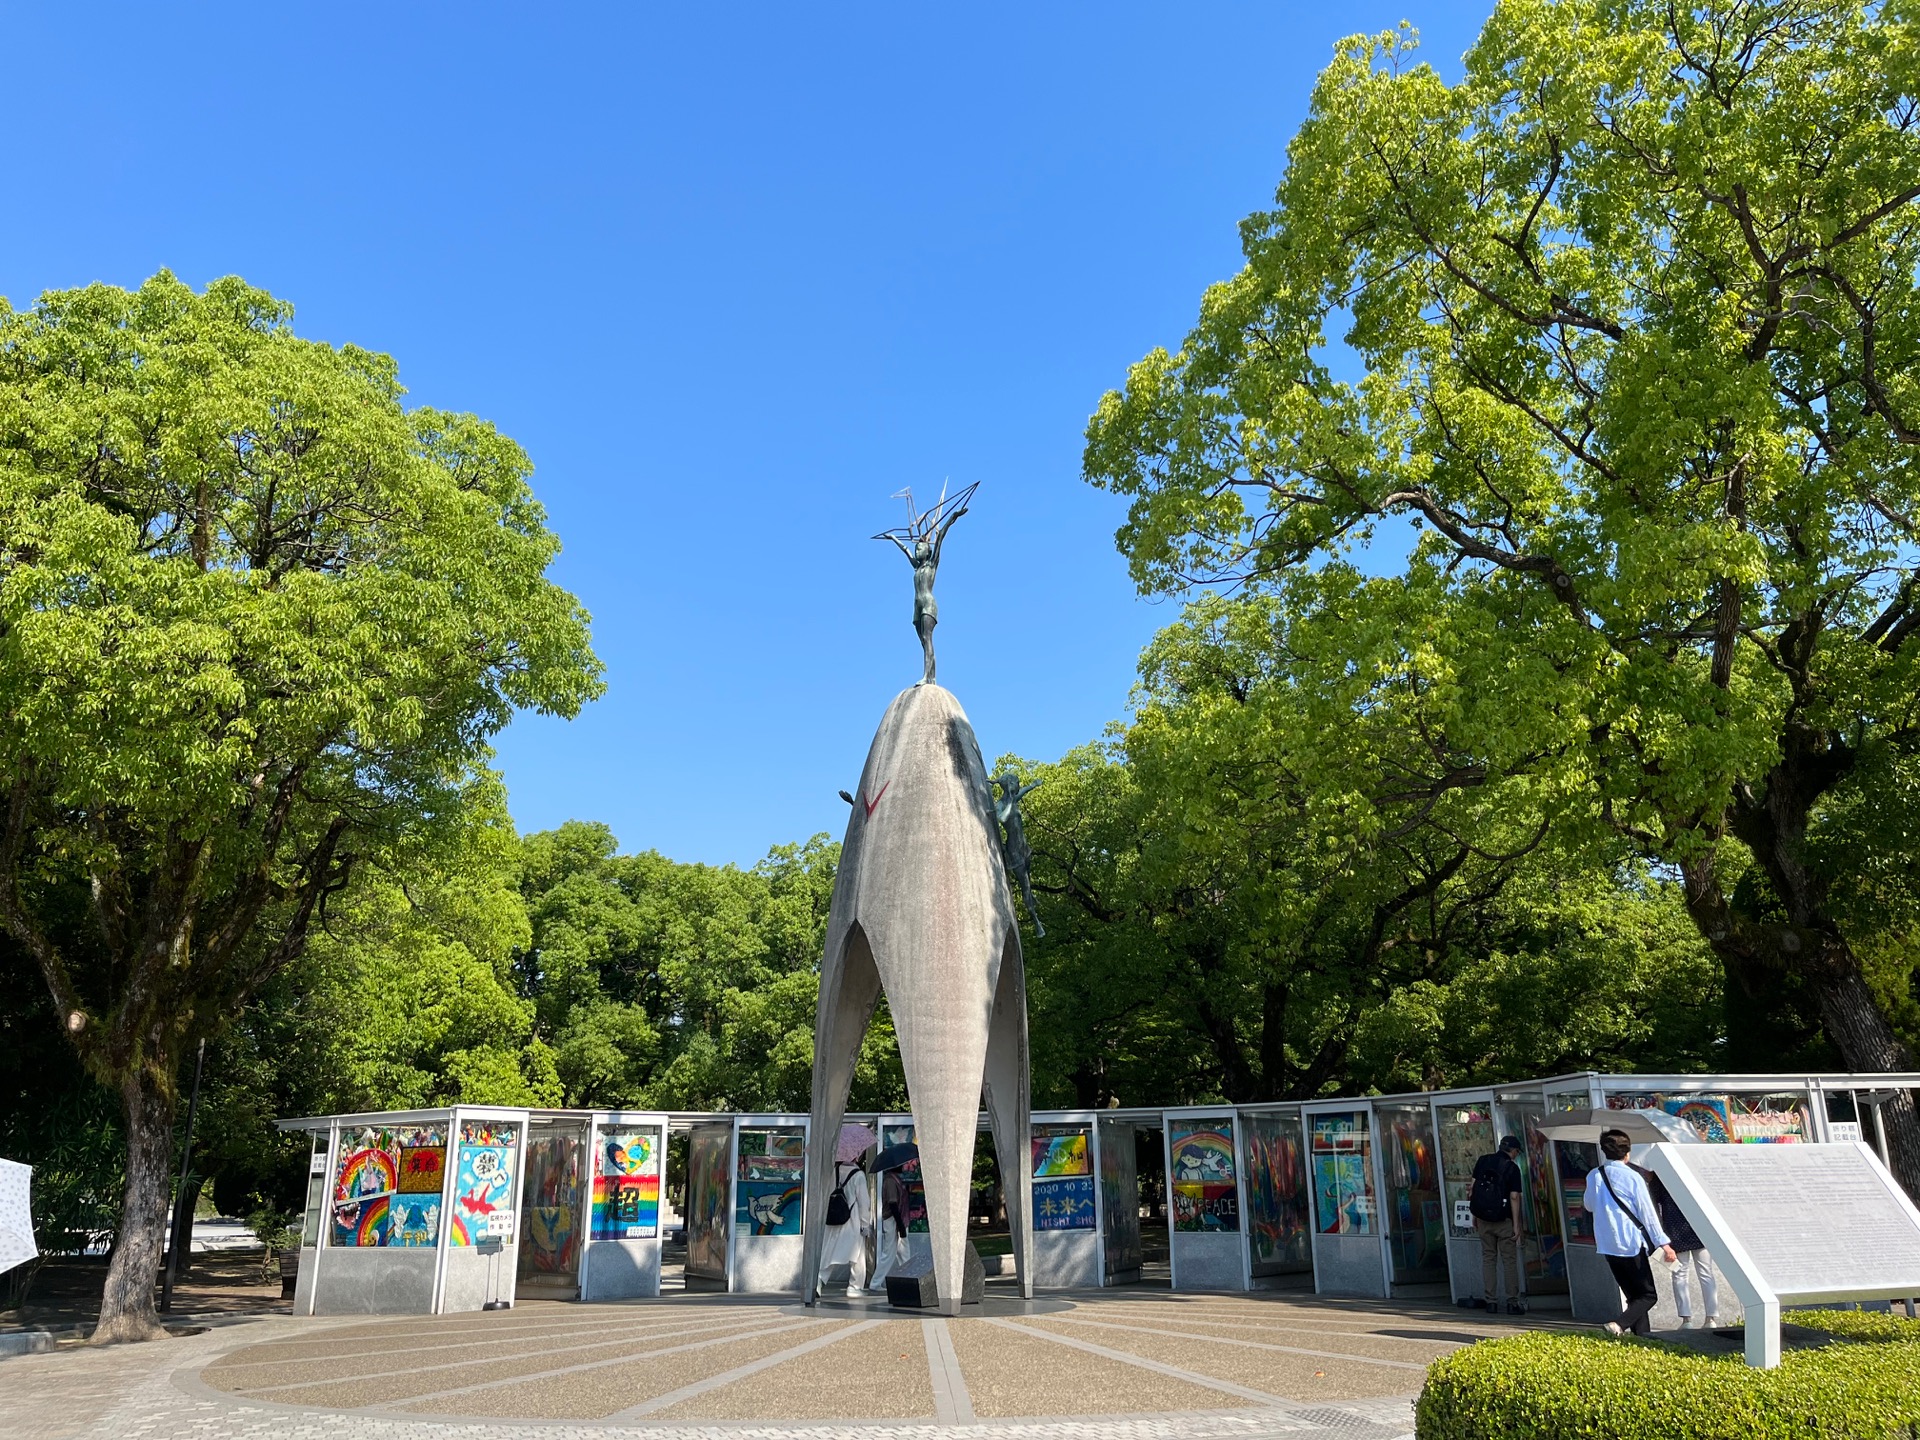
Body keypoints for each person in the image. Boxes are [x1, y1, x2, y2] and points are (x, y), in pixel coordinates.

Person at [1583, 1129, 1675, 1336]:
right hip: (1631, 1242)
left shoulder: (1594, 1175)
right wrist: (1663, 1243)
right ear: (1628, 1152)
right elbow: (1647, 1213)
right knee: (1648, 1295)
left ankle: (1643, 1337)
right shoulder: (1633, 1177)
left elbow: (1588, 1205)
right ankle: (1618, 1324)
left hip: (1607, 1244)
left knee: (1633, 1295)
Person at [1631, 1157, 1719, 1328]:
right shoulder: (1691, 1175)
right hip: (1700, 1228)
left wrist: (1659, 1235)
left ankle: (1687, 1319)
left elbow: (1654, 1210)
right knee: (1706, 1273)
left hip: (1674, 1231)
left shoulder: (1659, 1181)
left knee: (1679, 1274)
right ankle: (1711, 1318)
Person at [1467, 1135, 1527, 1314]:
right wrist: (1516, 1225)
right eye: (1517, 1152)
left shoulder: (1483, 1161)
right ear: (1514, 1151)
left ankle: (1491, 1301)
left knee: (1488, 1258)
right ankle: (1512, 1302)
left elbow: (1472, 1189)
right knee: (1509, 1261)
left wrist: (1475, 1214)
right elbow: (1514, 1197)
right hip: (1504, 1220)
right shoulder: (1512, 1168)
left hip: (1484, 1220)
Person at [817, 1155, 872, 1298]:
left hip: (833, 1218)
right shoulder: (858, 1175)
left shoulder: (834, 1171)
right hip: (851, 1221)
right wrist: (865, 1224)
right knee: (857, 1255)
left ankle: (819, 1280)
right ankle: (854, 1287)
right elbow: (863, 1202)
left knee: (830, 1252)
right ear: (856, 1156)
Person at [865, 1166, 910, 1293]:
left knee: (903, 1252)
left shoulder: (895, 1180)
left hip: (897, 1220)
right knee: (889, 1252)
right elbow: (893, 1203)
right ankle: (876, 1282)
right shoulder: (891, 1181)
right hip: (893, 1220)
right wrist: (900, 1225)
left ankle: (908, 1279)